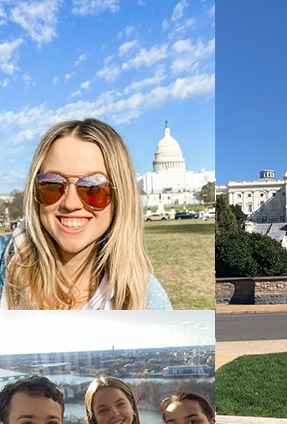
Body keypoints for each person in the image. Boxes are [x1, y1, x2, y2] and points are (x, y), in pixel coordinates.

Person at [0, 118, 171, 310]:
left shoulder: (147, 299)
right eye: (52, 184)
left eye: (94, 187)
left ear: (120, 197)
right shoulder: (4, 265)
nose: (70, 203)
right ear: (35, 190)